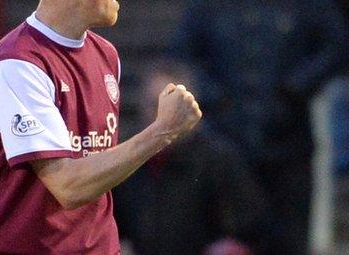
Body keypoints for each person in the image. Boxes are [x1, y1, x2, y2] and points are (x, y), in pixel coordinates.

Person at [0, 0, 202, 254]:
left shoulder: (106, 55)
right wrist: (161, 131)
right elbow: (68, 186)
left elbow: (99, 174)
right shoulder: (17, 66)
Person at [171, 0, 348, 254]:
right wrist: (212, 95)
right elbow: (182, 55)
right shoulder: (207, 0)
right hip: (228, 145)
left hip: (289, 143)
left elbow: (335, 44)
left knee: (289, 239)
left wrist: (299, 85)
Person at [114, 57, 271, 255]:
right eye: (152, 105)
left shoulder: (218, 159)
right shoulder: (126, 158)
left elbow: (251, 227)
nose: (159, 118)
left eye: (168, 108)